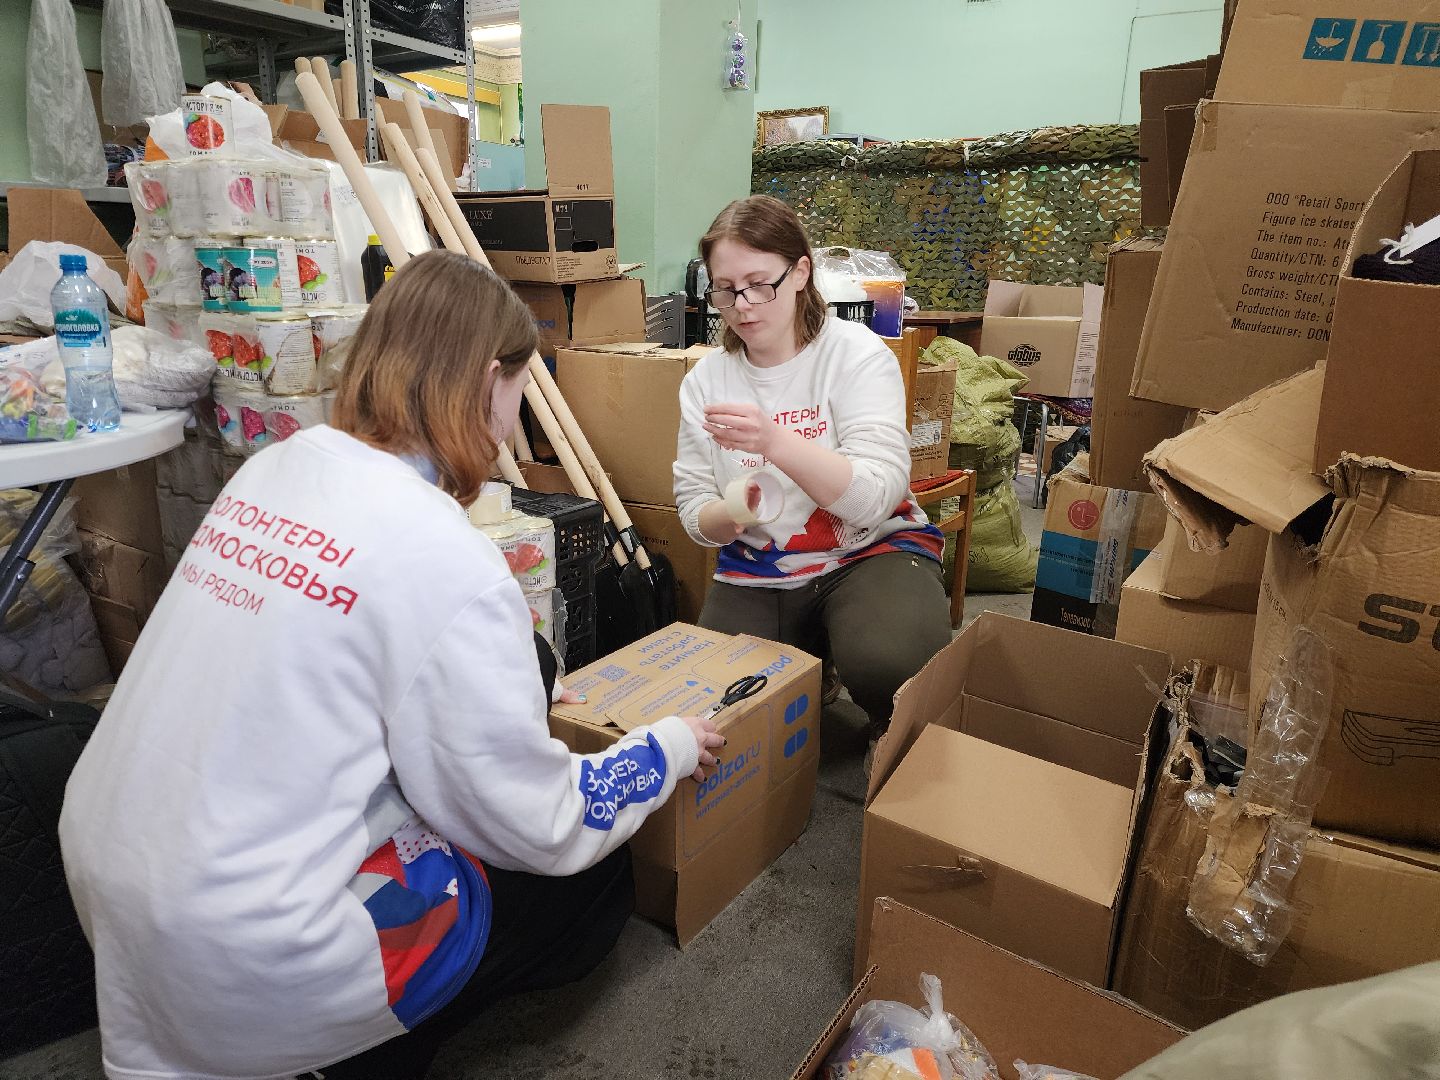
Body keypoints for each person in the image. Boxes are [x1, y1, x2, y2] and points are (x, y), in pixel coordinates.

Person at [59, 251, 723, 1080]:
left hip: (114, 884)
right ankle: (358, 1048)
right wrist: (664, 748)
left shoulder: (276, 467)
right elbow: (538, 822)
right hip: (245, 944)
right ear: (489, 381)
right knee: (584, 889)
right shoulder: (448, 562)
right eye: (521, 389)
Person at [673, 196, 952, 757]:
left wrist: (774, 442)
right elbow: (693, 510)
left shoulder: (856, 355)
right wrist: (734, 509)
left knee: (891, 664)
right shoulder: (707, 381)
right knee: (720, 704)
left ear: (801, 272)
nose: (742, 304)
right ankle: (816, 671)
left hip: (869, 550)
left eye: (759, 283)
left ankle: (876, 708)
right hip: (762, 566)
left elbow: (877, 496)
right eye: (724, 288)